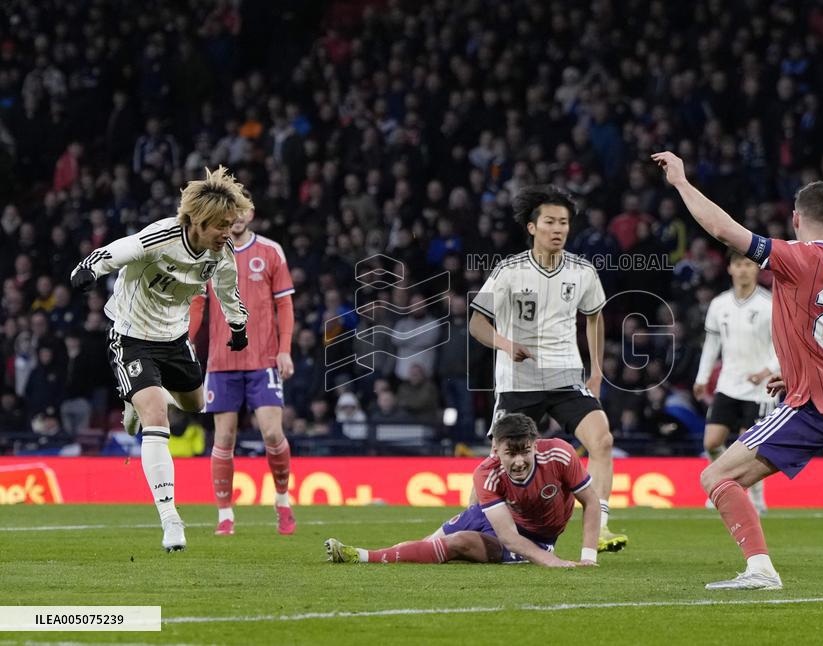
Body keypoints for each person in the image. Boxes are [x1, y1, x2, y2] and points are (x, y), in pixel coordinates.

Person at [652, 151, 823, 590]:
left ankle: (760, 569)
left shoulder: (796, 257)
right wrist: (805, 368)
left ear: (795, 219)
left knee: (716, 476)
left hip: (814, 405)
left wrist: (681, 183)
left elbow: (721, 229)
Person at [70, 166, 251, 552]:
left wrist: (238, 326)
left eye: (231, 225)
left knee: (195, 404)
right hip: (131, 337)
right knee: (157, 418)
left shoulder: (221, 252)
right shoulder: (164, 234)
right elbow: (126, 247)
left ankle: (139, 394)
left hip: (175, 339)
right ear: (199, 221)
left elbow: (228, 290)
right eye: (222, 225)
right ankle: (171, 519)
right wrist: (89, 266)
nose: (228, 232)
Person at [468, 185, 627, 553]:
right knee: (497, 461)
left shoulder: (583, 271)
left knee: (602, 441)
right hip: (518, 380)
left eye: (565, 223)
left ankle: (600, 524)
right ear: (532, 227)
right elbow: (478, 323)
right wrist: (508, 345)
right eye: (551, 222)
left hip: (566, 376)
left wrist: (596, 371)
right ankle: (471, 525)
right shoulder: (509, 271)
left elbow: (594, 319)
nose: (559, 229)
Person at [325, 413, 599, 567]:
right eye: (509, 453)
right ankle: (360, 555)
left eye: (524, 452)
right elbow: (507, 535)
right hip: (494, 518)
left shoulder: (560, 455)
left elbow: (591, 501)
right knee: (428, 545)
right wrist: (551, 563)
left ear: (535, 444)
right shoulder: (486, 473)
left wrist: (586, 557)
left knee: (457, 543)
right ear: (497, 450)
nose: (518, 461)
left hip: (536, 536)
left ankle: (362, 556)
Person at [188, 205, 296, 536]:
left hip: (262, 359)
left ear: (250, 213)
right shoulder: (208, 253)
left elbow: (285, 304)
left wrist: (284, 350)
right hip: (222, 362)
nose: (235, 217)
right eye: (229, 212)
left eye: (240, 211)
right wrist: (188, 341)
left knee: (272, 433)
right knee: (223, 437)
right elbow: (197, 303)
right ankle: (225, 515)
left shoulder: (270, 251)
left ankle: (282, 501)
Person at [694, 253, 779, 514]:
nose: (743, 270)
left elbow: (783, 345)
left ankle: (756, 497)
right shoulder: (719, 305)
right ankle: (720, 483)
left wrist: (768, 370)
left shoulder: (770, 304)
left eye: (748, 265)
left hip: (761, 389)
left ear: (757, 269)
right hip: (729, 384)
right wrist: (702, 377)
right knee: (711, 442)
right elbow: (712, 344)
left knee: (749, 445)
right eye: (738, 265)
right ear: (730, 269)